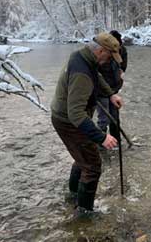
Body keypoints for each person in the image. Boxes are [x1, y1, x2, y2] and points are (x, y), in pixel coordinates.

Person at [50, 32, 124, 215]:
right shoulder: (81, 73)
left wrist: (110, 94)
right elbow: (75, 114)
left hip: (66, 117)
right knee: (92, 166)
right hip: (68, 121)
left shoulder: (82, 56)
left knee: (82, 159)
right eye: (109, 56)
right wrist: (101, 137)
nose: (109, 60)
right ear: (100, 51)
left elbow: (96, 78)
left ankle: (74, 196)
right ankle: (84, 213)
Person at [96, 30, 128, 143]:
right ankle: (101, 143)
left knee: (115, 117)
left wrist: (121, 72)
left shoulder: (122, 50)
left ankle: (116, 141)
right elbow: (95, 76)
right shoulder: (100, 55)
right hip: (101, 92)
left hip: (114, 90)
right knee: (103, 119)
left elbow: (123, 66)